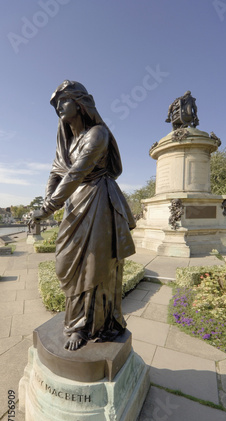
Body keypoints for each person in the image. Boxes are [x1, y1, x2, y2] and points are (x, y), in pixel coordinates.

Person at [32, 80, 136, 351]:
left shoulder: (97, 134)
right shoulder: (67, 143)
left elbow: (76, 174)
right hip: (74, 206)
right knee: (69, 262)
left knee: (93, 264)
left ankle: (88, 326)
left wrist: (46, 210)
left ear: (80, 104)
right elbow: (56, 173)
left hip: (98, 203)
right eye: (55, 103)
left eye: (63, 101)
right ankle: (78, 321)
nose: (58, 107)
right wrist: (48, 201)